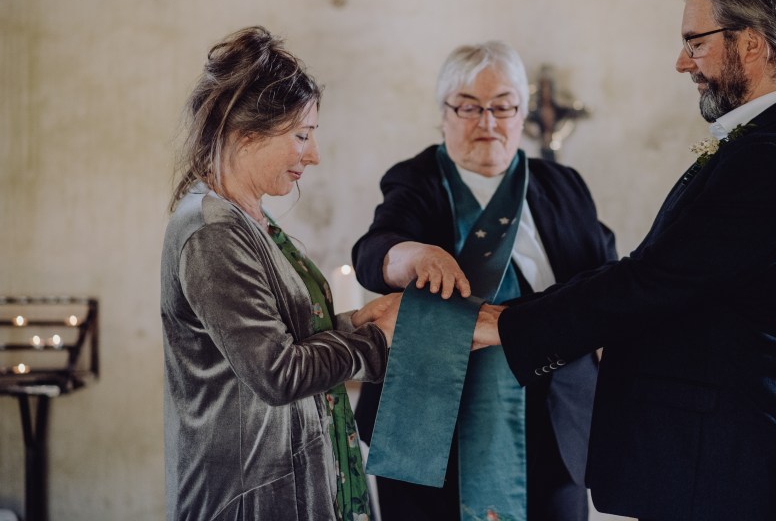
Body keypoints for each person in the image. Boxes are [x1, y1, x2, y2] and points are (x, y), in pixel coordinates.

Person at [474, 0, 776, 521]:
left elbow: (651, 282)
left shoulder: (773, 160)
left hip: (730, 469)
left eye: (695, 43)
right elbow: (653, 271)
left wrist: (502, 325)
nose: (682, 62)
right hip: (714, 462)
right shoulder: (770, 143)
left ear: (752, 43)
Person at [351, 41, 617, 521]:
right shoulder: (417, 180)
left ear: (521, 113)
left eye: (502, 106)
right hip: (433, 431)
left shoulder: (564, 187)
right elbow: (375, 250)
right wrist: (413, 255)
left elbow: (607, 286)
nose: (487, 122)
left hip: (554, 427)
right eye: (469, 106)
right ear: (444, 114)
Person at [161, 26, 400, 521]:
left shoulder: (248, 218)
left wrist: (357, 324)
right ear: (247, 133)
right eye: (301, 135)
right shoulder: (212, 232)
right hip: (251, 496)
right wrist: (375, 343)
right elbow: (277, 372)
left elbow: (284, 337)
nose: (313, 154)